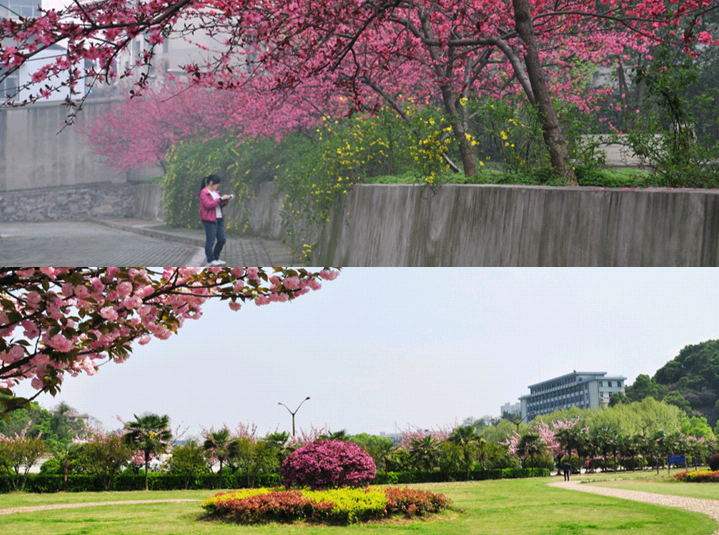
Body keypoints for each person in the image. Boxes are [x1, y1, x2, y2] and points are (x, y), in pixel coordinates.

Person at [198, 174, 231, 266]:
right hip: (210, 220)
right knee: (211, 240)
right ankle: (210, 259)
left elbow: (217, 204)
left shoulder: (216, 192)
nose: (218, 185)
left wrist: (225, 201)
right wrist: (220, 199)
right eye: (217, 184)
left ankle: (215, 258)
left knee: (222, 239)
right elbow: (208, 205)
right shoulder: (203, 193)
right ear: (211, 182)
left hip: (219, 218)